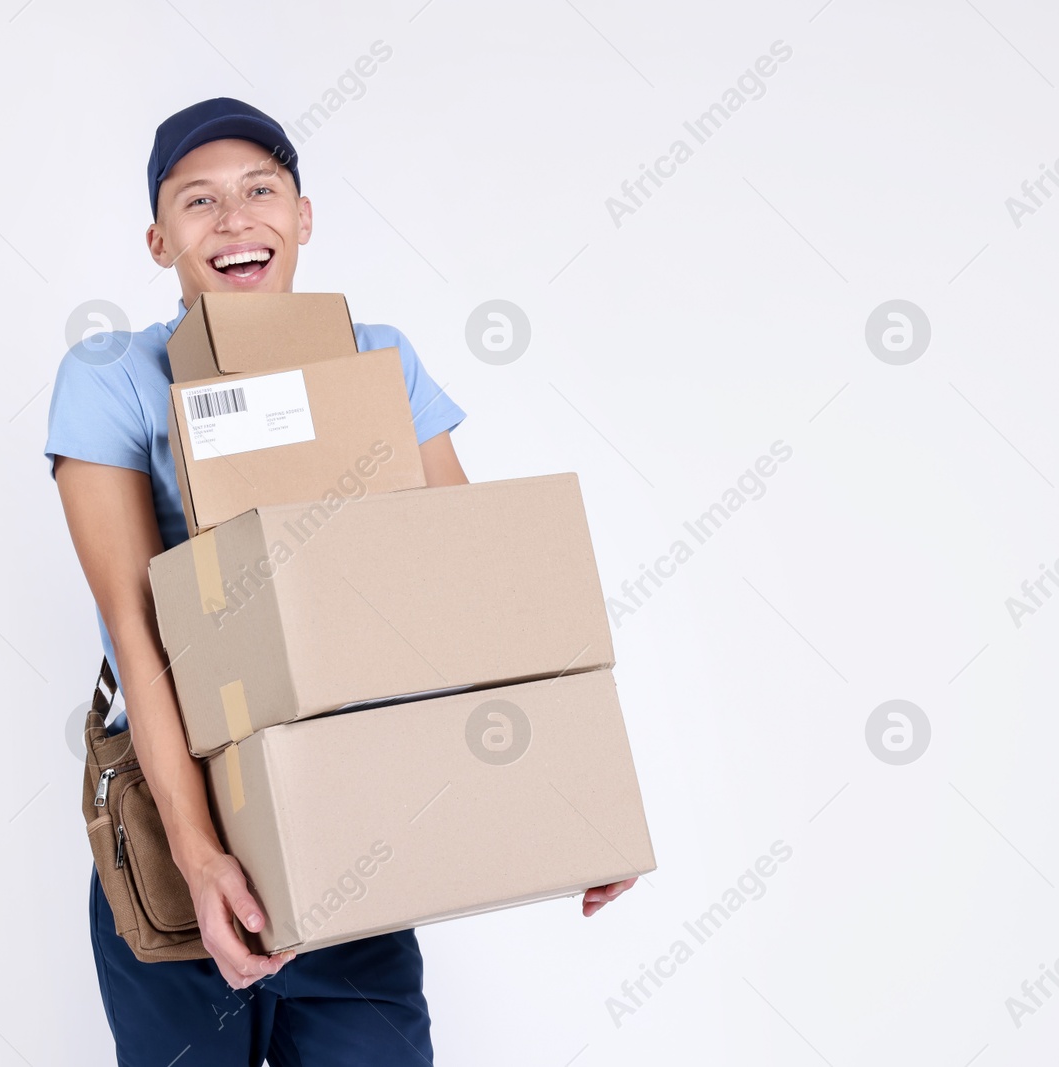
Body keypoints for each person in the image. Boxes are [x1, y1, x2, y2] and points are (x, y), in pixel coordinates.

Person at [45, 97, 636, 1066]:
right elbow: (135, 626)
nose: (234, 219)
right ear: (159, 239)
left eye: (259, 190)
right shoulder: (112, 373)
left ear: (303, 217)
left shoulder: (378, 358)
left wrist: (571, 804)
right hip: (177, 812)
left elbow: (474, 598)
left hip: (351, 802)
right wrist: (202, 863)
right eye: (198, 201)